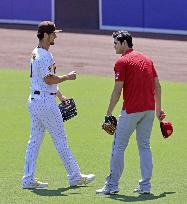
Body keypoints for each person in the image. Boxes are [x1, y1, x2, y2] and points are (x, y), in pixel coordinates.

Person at [22, 21, 95, 189]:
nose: (56, 36)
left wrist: (61, 96)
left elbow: (46, 81)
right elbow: (48, 79)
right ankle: (75, 176)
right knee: (60, 140)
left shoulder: (37, 52)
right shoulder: (43, 56)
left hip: (35, 100)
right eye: (53, 33)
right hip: (45, 103)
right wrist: (67, 77)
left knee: (34, 141)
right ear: (46, 35)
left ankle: (27, 179)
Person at [96, 30, 166, 195]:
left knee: (119, 146)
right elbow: (158, 86)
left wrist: (108, 113)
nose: (114, 46)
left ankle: (112, 185)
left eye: (115, 43)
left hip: (131, 111)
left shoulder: (122, 62)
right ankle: (145, 187)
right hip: (148, 110)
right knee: (144, 146)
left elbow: (117, 91)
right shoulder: (147, 60)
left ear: (124, 43)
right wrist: (158, 109)